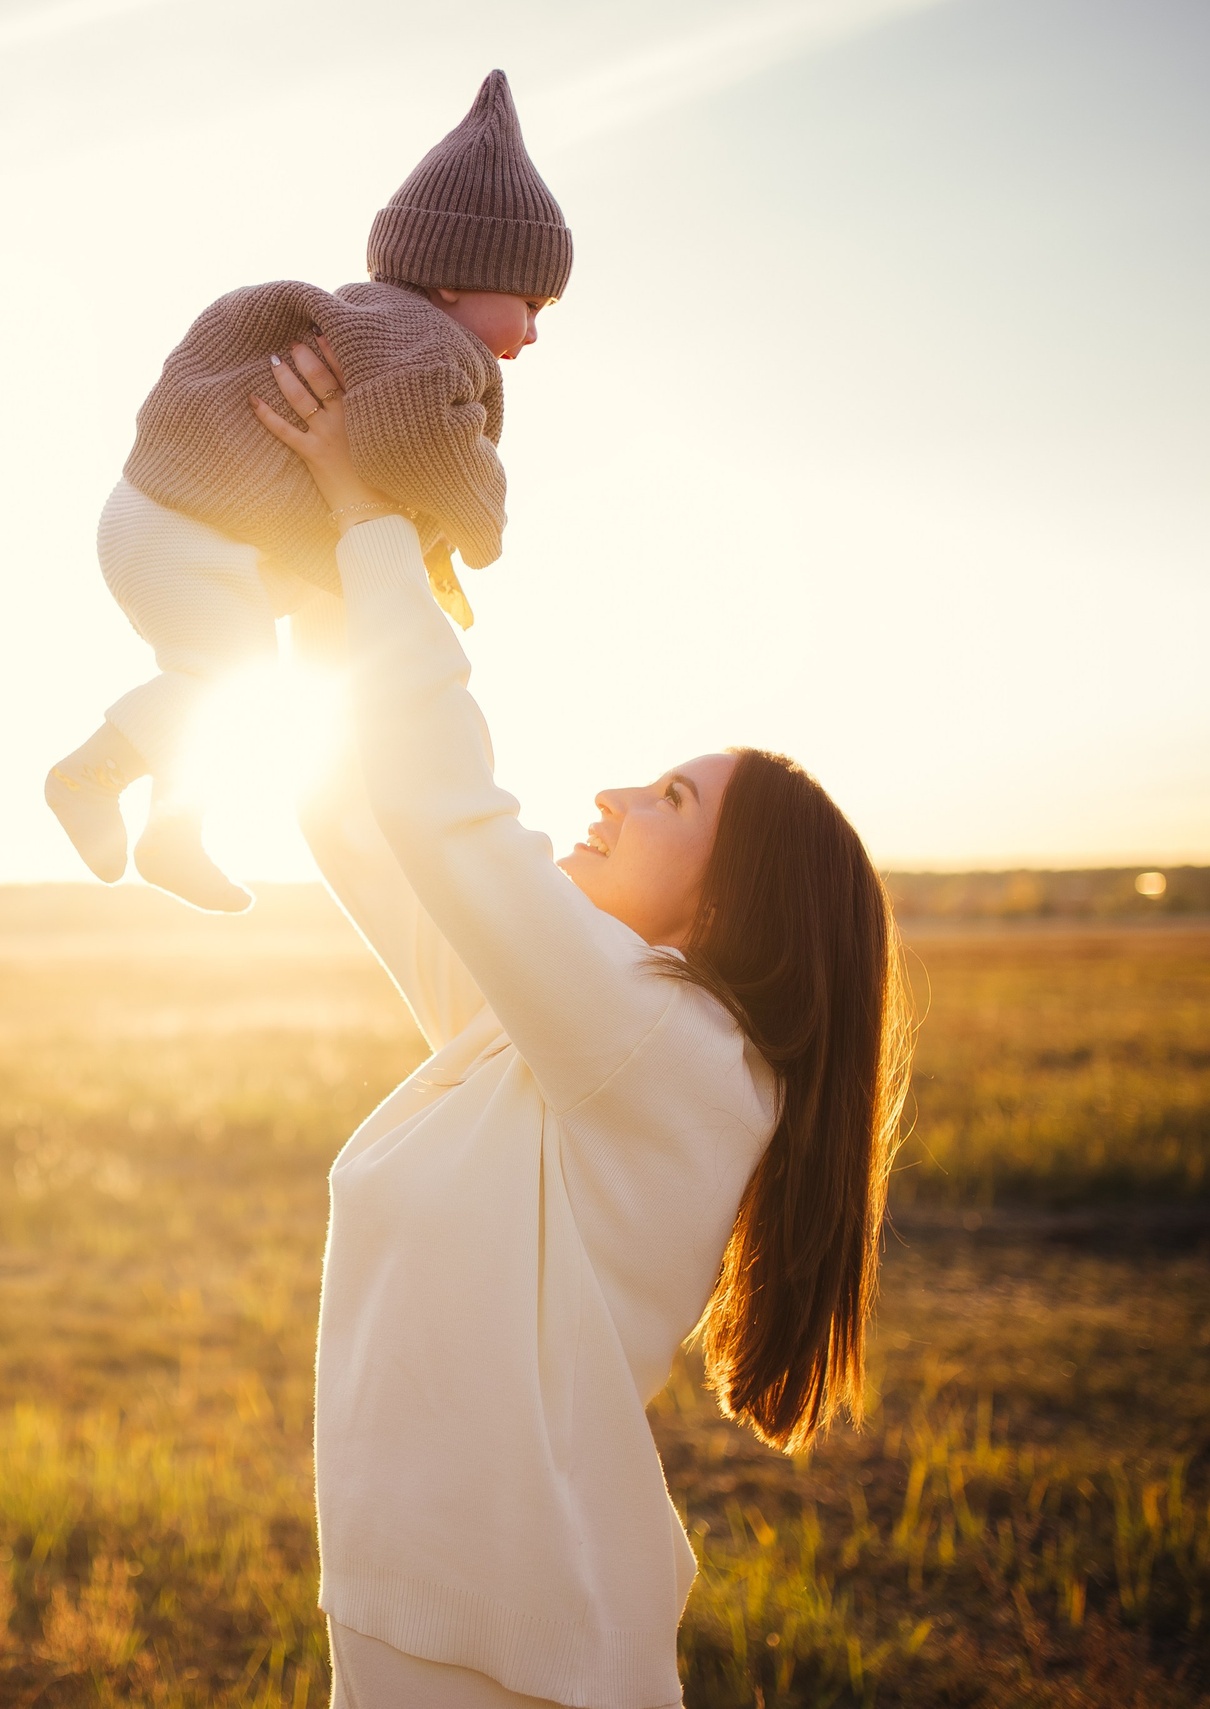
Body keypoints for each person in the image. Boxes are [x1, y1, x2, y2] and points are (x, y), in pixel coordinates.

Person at [253, 340, 916, 1708]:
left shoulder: (670, 1051)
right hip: (417, 1625)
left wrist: (373, 524)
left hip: (516, 1658)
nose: (612, 795)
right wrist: (329, 570)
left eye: (670, 798)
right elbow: (365, 822)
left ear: (733, 901)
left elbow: (449, 813)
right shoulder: (557, 1044)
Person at [46, 69, 566, 914]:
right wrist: (481, 524)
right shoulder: (428, 345)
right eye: (532, 303)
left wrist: (424, 554)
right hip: (190, 531)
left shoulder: (373, 326)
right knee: (229, 679)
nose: (536, 333)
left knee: (228, 677)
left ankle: (174, 829)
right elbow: (418, 445)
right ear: (453, 280)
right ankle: (87, 775)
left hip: (165, 518)